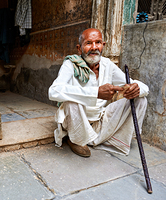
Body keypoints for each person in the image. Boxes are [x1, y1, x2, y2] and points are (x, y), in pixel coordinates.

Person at [48, 28, 149, 157]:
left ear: (103, 45)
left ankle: (102, 139)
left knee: (140, 98)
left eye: (98, 42)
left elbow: (135, 84)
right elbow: (54, 91)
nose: (94, 47)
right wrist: (96, 93)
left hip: (100, 121)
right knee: (71, 102)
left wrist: (137, 88)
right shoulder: (70, 64)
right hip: (76, 120)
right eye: (89, 43)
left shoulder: (108, 65)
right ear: (79, 48)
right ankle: (77, 140)